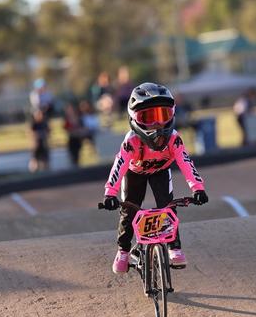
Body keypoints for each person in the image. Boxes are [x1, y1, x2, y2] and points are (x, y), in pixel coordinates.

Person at [101, 82, 209, 274]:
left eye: (163, 115)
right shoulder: (131, 142)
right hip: (134, 174)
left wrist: (197, 188)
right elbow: (118, 166)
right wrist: (110, 194)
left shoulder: (174, 139)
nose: (157, 124)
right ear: (135, 119)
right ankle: (123, 251)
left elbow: (186, 163)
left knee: (168, 207)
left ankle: (174, 247)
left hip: (161, 171)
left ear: (172, 114)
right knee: (128, 210)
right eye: (149, 117)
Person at [63, 103, 86, 167]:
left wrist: (77, 131)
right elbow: (67, 130)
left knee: (78, 156)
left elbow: (82, 128)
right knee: (73, 157)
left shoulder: (78, 118)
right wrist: (75, 131)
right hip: (72, 140)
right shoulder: (67, 120)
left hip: (78, 140)